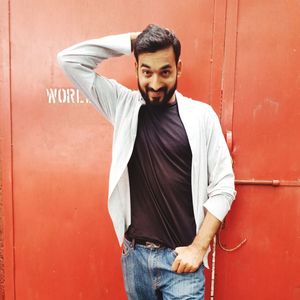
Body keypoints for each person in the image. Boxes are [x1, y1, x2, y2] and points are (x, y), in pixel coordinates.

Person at [57, 24, 236, 300]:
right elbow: (69, 60)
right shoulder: (122, 106)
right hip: (136, 260)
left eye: (165, 71)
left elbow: (224, 186)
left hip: (182, 264)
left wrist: (199, 248)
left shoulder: (202, 117)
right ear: (137, 68)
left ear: (179, 67)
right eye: (146, 71)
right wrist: (132, 41)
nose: (154, 84)